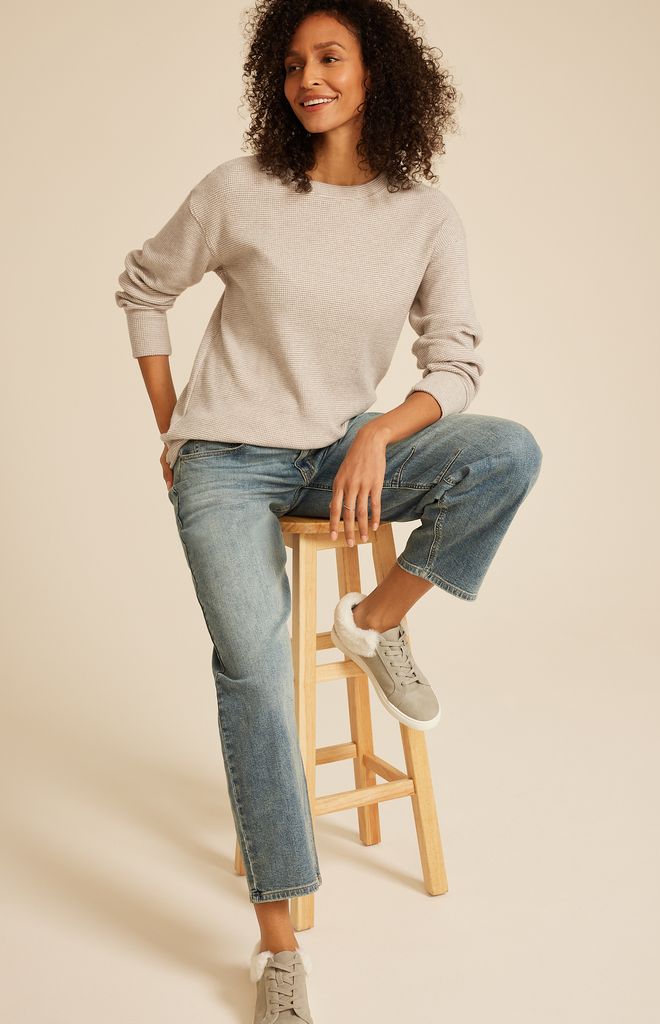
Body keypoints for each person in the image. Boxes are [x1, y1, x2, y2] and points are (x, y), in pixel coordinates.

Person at [114, 2, 543, 1020]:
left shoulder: (424, 215)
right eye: (292, 63)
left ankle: (374, 621)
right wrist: (175, 427)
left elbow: (455, 362)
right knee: (255, 673)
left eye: (329, 58)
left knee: (506, 453)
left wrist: (383, 430)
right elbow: (142, 287)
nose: (307, 78)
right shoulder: (239, 191)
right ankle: (279, 947)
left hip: (340, 453)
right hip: (227, 462)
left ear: (375, 71)